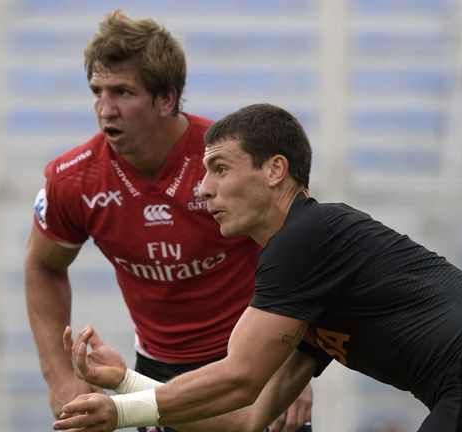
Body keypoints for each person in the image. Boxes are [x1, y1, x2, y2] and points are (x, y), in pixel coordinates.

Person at [52, 103, 462, 432]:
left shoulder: (303, 238)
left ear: (276, 170)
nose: (202, 188)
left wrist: (121, 414)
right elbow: (247, 418)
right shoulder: (305, 266)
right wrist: (124, 383)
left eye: (219, 169)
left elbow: (237, 378)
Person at [24, 11, 314, 432]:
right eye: (97, 91)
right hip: (156, 374)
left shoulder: (231, 161)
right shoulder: (73, 181)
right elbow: (43, 265)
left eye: (123, 92)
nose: (106, 109)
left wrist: (295, 366)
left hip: (254, 362)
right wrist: (61, 379)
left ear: (166, 99)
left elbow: (303, 254)